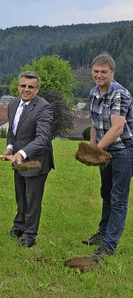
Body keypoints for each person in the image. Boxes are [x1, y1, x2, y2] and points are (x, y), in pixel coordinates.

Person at [83, 53, 133, 262]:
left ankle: (109, 245)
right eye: (96, 71)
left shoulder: (119, 94)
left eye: (104, 72)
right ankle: (103, 232)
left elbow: (117, 128)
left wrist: (95, 151)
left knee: (119, 199)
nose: (99, 75)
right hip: (105, 151)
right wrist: (94, 147)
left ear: (112, 72)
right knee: (106, 193)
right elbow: (96, 124)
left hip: (123, 152)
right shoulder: (94, 92)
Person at [0, 71, 54, 248]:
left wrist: (22, 153)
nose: (26, 89)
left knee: (32, 200)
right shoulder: (14, 104)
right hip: (18, 159)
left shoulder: (43, 108)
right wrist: (9, 147)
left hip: (36, 161)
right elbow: (12, 133)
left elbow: (43, 138)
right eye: (23, 86)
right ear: (18, 87)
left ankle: (29, 236)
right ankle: (19, 226)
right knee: (21, 196)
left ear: (37, 89)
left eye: (31, 87)